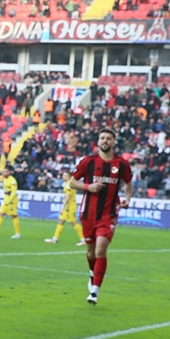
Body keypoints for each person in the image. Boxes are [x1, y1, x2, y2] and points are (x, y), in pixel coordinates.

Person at [70, 128, 132, 304]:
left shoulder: (121, 164)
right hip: (88, 214)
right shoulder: (88, 162)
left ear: (114, 142)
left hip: (109, 214)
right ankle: (92, 274)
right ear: (98, 141)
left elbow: (129, 184)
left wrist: (127, 199)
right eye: (102, 138)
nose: (105, 141)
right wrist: (88, 187)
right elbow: (72, 182)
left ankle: (95, 291)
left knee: (100, 250)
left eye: (108, 138)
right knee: (90, 253)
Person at [45, 170, 86, 246]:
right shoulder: (68, 184)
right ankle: (54, 239)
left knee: (74, 223)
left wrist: (62, 207)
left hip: (69, 207)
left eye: (64, 175)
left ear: (68, 177)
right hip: (68, 206)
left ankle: (83, 239)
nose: (63, 177)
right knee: (61, 221)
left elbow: (68, 196)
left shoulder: (69, 184)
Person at [0, 164, 20, 239]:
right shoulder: (4, 178)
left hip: (12, 200)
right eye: (3, 171)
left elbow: (14, 192)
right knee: (0, 214)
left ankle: (17, 233)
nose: (4, 173)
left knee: (14, 216)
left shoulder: (12, 180)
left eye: (6, 172)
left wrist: (9, 201)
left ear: (10, 172)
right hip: (6, 198)